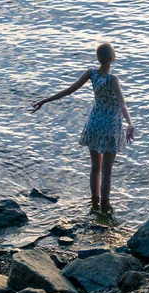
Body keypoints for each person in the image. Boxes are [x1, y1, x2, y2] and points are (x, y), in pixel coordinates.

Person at [28, 43, 134, 209]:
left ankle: (94, 202)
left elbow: (69, 90)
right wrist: (130, 123)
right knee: (107, 171)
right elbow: (122, 104)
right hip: (110, 128)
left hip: (94, 124)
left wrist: (45, 100)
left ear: (98, 58)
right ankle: (105, 207)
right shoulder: (113, 80)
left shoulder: (91, 74)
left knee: (95, 169)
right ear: (112, 58)